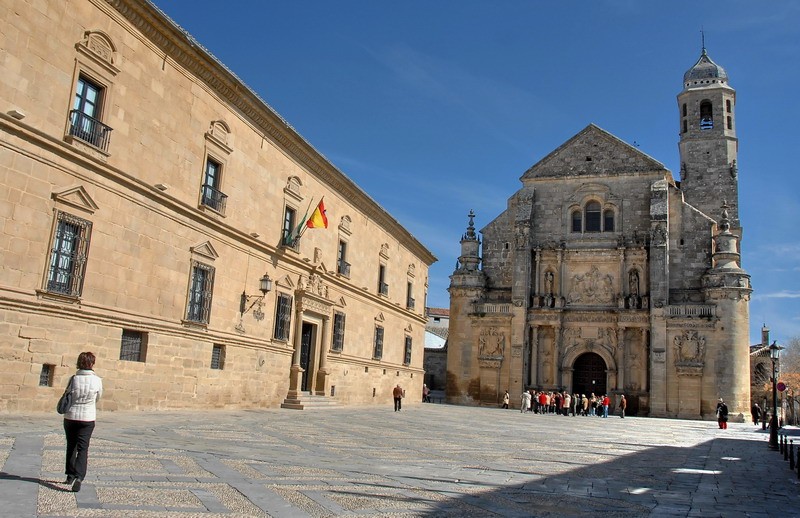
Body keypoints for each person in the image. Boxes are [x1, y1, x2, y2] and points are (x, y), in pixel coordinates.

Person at [62, 351, 103, 493]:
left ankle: (70, 475)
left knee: (71, 446)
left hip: (70, 417)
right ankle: (79, 477)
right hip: (87, 418)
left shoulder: (73, 379)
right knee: (83, 448)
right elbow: (98, 397)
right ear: (92, 363)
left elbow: (68, 395)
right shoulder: (97, 380)